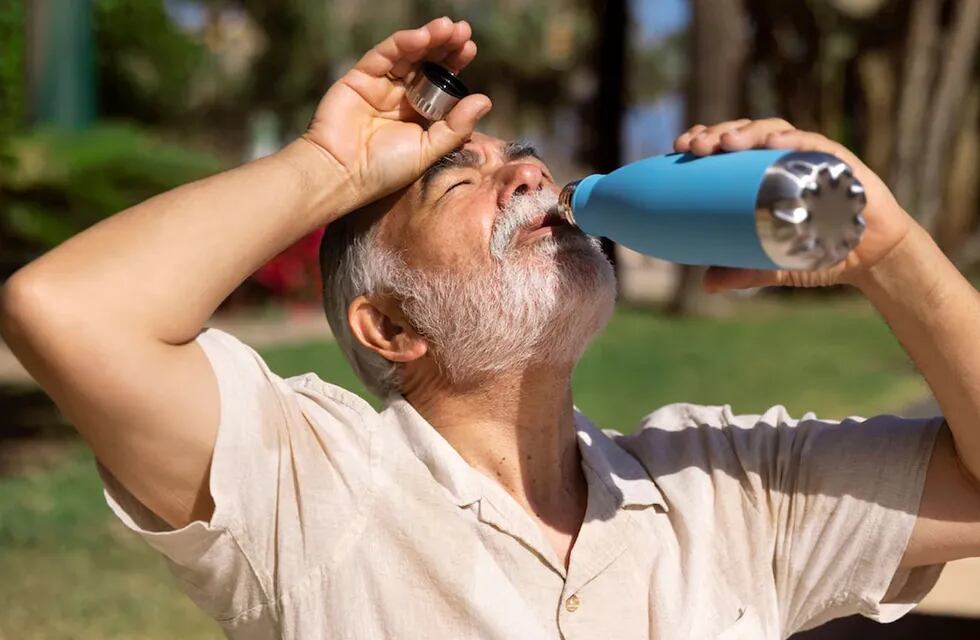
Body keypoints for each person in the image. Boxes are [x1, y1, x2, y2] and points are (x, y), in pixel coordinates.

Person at [1, 17, 978, 640]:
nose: (527, 177)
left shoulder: (727, 490)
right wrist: (328, 168)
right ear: (387, 327)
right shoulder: (309, 488)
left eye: (522, 161)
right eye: (460, 181)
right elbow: (70, 312)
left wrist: (884, 249)